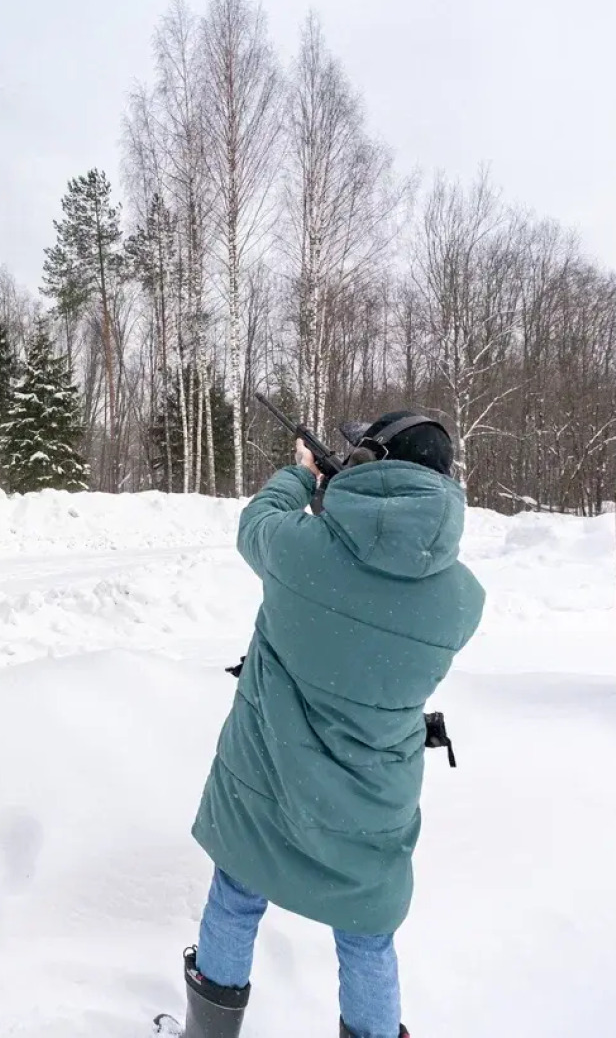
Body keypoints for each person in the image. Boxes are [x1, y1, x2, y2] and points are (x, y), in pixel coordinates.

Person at [174, 411, 485, 1038]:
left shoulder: (299, 551)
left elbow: (257, 523)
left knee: (235, 899)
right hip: (372, 801)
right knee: (368, 939)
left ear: (372, 466)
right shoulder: (462, 599)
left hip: (267, 777)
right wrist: (347, 508)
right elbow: (373, 586)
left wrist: (304, 475)